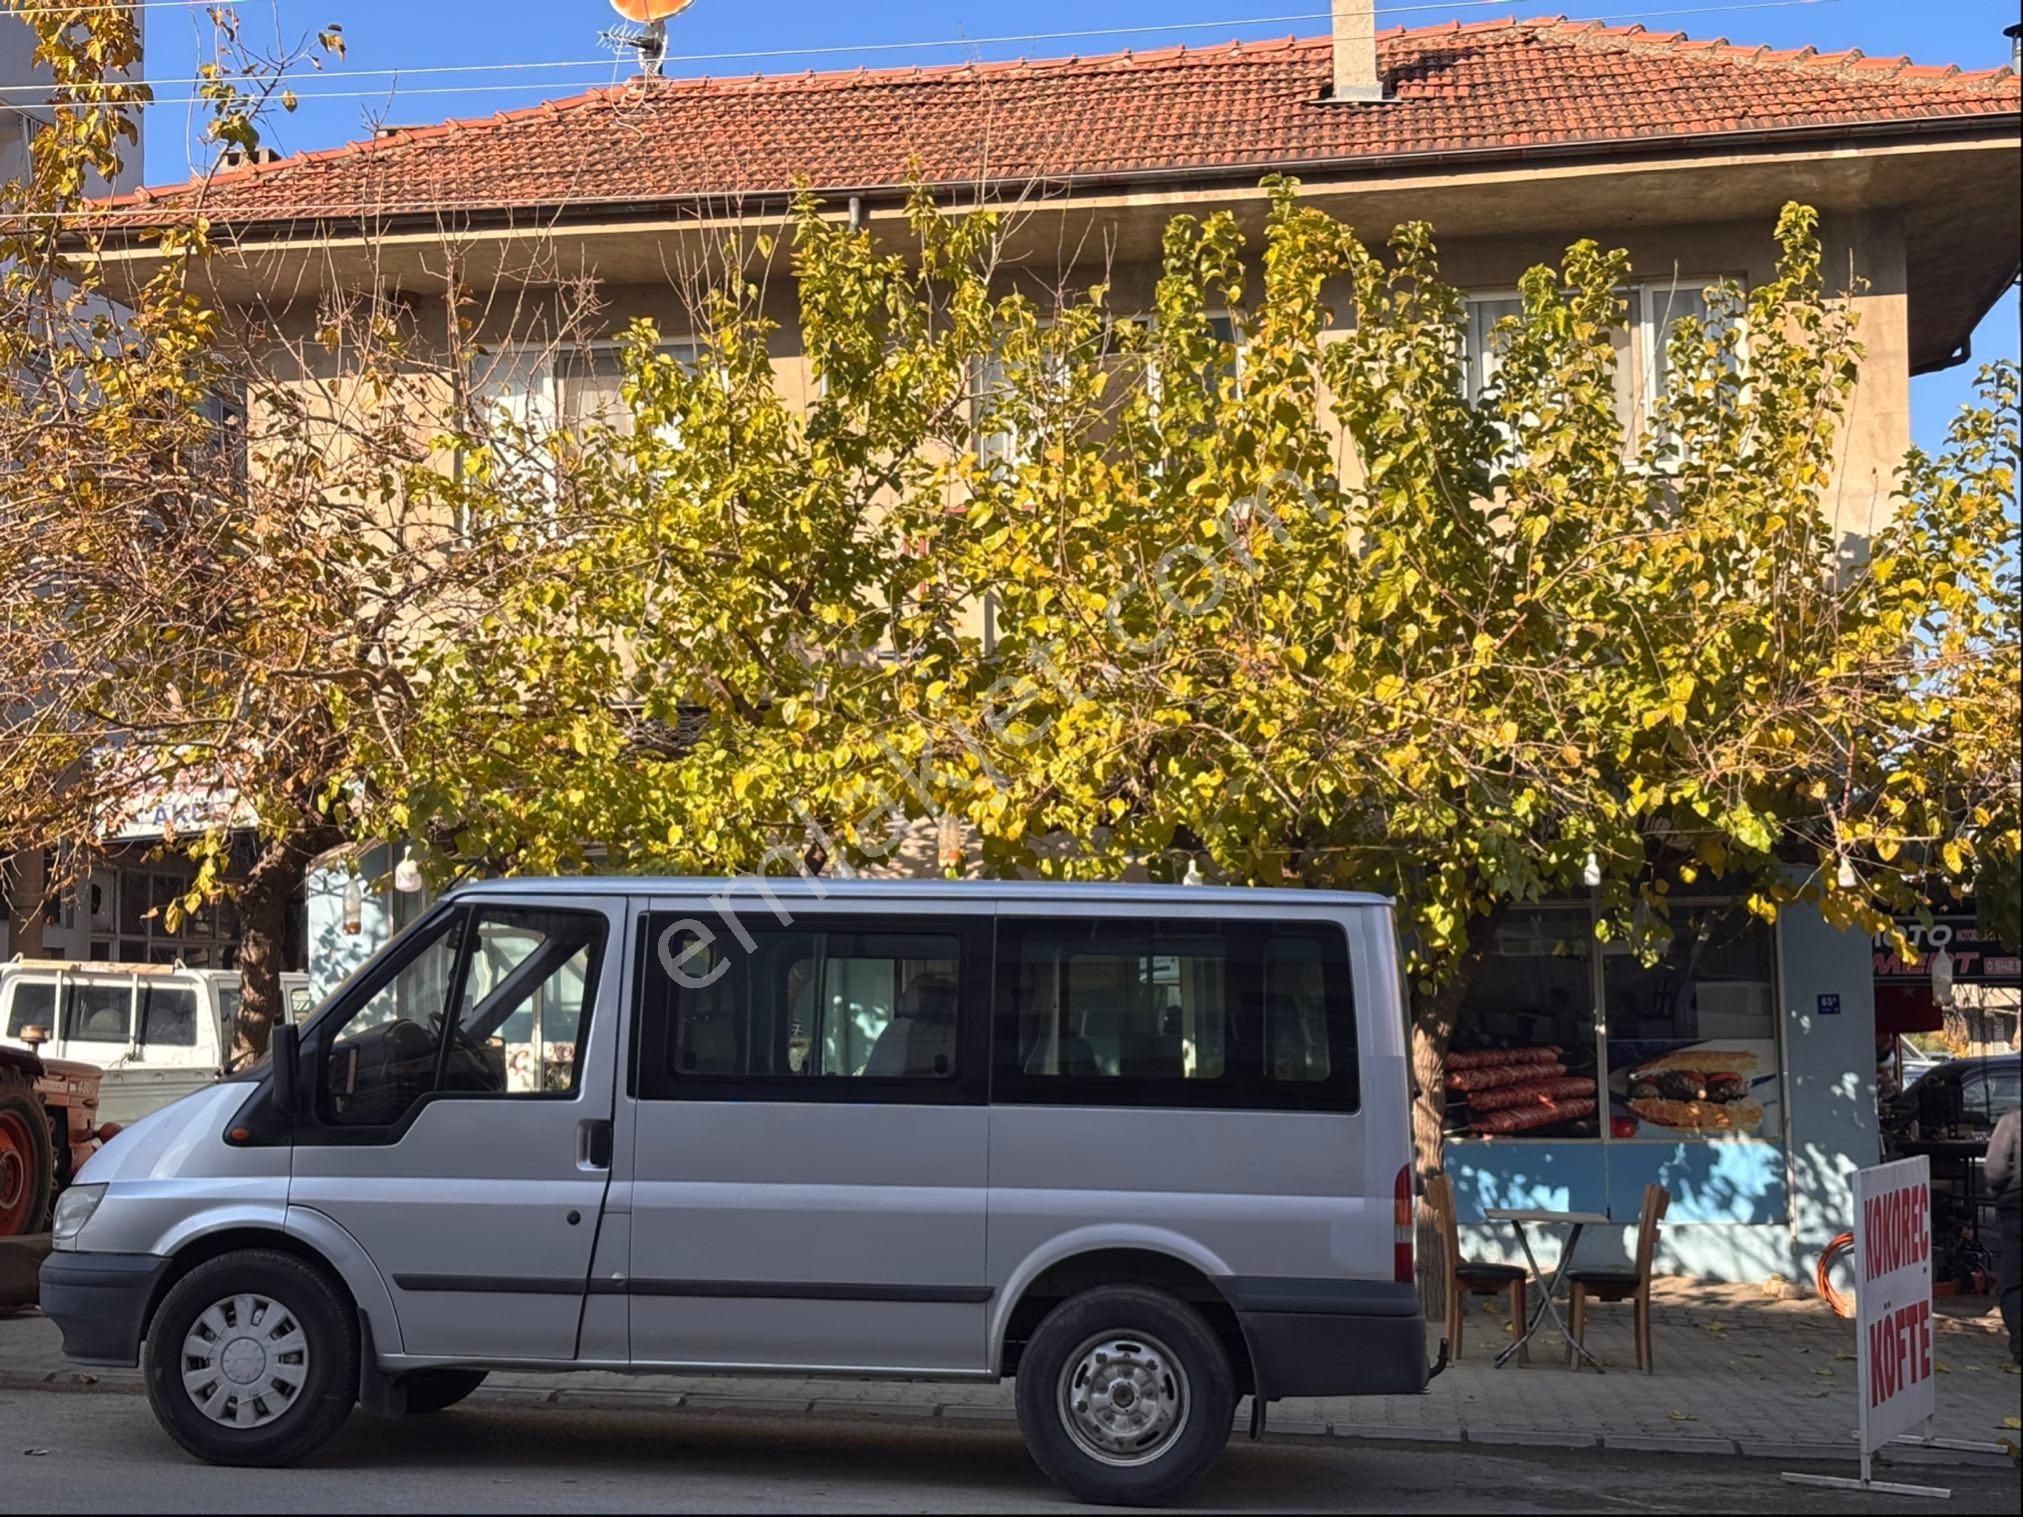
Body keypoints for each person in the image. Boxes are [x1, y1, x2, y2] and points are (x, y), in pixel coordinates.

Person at [1988, 1102, 2021, 1364]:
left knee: (2015, 1281)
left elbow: (1995, 1171)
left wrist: (1998, 1193)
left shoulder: (2012, 1121)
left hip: (2017, 1208)